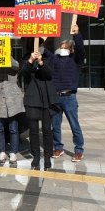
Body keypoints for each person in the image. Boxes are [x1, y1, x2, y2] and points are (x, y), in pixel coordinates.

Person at [48, 24, 86, 162]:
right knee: (55, 125)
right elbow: (46, 54)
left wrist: (77, 34)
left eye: (64, 47)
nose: (61, 49)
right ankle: (58, 147)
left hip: (69, 97)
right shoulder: (56, 59)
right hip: (56, 97)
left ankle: (79, 150)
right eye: (60, 47)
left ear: (71, 49)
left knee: (74, 125)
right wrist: (41, 39)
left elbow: (81, 50)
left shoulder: (76, 60)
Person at [18, 41, 59, 170]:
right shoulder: (25, 58)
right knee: (34, 131)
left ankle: (47, 156)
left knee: (47, 130)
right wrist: (30, 60)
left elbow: (50, 74)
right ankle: (36, 156)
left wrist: (41, 62)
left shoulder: (49, 58)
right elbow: (22, 75)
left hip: (46, 99)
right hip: (32, 99)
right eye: (37, 44)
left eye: (41, 44)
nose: (39, 47)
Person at [0, 57, 25, 164]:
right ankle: (2, 151)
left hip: (12, 99)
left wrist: (5, 56)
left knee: (13, 128)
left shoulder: (13, 61)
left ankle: (13, 152)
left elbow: (17, 66)